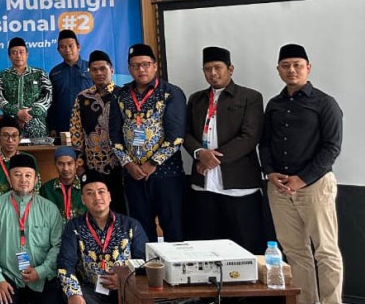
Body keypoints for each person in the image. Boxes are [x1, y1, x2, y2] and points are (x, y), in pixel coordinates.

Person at [259, 44, 344, 304]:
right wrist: (270, 172)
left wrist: (302, 179)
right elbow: (265, 143)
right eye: (286, 65)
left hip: (314, 185)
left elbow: (331, 148)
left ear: (308, 67)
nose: (291, 70)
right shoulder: (274, 104)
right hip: (279, 185)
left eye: (297, 64)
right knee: (293, 247)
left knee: (325, 248)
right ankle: (306, 299)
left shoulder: (325, 103)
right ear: (278, 70)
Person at [183, 47, 265, 254]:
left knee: (245, 247)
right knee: (206, 247)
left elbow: (249, 137)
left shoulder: (250, 97)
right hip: (203, 186)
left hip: (239, 186)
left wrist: (212, 159)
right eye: (207, 69)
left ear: (230, 69)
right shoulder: (196, 99)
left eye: (218, 68)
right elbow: (185, 133)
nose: (213, 73)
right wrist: (199, 153)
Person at [0, 154, 68, 304]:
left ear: (35, 179)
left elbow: (58, 246)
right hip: (9, 274)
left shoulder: (49, 208)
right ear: (9, 178)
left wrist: (41, 270)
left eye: (28, 175)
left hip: (42, 276)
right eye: (17, 174)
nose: (23, 180)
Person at [109, 43, 187, 243]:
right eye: (135, 66)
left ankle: (173, 264)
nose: (141, 70)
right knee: (140, 229)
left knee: (173, 227)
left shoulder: (171, 93)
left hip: (166, 173)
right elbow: (114, 135)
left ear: (155, 65)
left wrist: (152, 164)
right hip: (133, 174)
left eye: (145, 64)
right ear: (129, 68)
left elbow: (176, 137)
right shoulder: (120, 95)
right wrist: (128, 163)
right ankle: (145, 264)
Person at [57, 174, 147, 304]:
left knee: (146, 295)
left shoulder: (131, 225)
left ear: (109, 196)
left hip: (124, 288)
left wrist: (123, 279)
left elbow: (144, 261)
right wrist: (74, 294)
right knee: (71, 294)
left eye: (101, 191)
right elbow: (65, 263)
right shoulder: (74, 227)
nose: (97, 197)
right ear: (83, 200)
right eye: (90, 193)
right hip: (92, 290)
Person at [70, 50, 126, 214]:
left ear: (111, 70)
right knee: (97, 210)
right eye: (94, 70)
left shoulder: (122, 95)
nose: (99, 73)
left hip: (121, 165)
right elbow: (76, 133)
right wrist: (79, 164)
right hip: (93, 166)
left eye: (103, 69)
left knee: (121, 210)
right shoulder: (82, 98)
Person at [0, 115, 38, 214]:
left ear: (20, 138)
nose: (10, 140)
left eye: (14, 136)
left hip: (25, 214)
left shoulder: (30, 160)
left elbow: (36, 191)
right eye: (5, 135)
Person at [0, 37, 51, 139]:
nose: (18, 55)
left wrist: (27, 114)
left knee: (39, 149)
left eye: (21, 52)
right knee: (11, 148)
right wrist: (17, 112)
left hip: (37, 125)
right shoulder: (3, 75)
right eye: (14, 52)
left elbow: (47, 97)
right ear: (9, 56)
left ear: (27, 54)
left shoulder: (40, 74)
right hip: (11, 125)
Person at [48, 29, 91, 134]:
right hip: (63, 126)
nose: (67, 50)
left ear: (78, 47)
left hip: (89, 124)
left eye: (71, 46)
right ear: (58, 50)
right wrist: (52, 127)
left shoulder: (92, 68)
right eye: (63, 47)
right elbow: (51, 102)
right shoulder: (55, 73)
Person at [41, 146, 86, 221]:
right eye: (60, 164)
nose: (65, 168)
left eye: (69, 163)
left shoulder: (85, 187)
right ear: (55, 164)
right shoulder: (46, 189)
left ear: (76, 164)